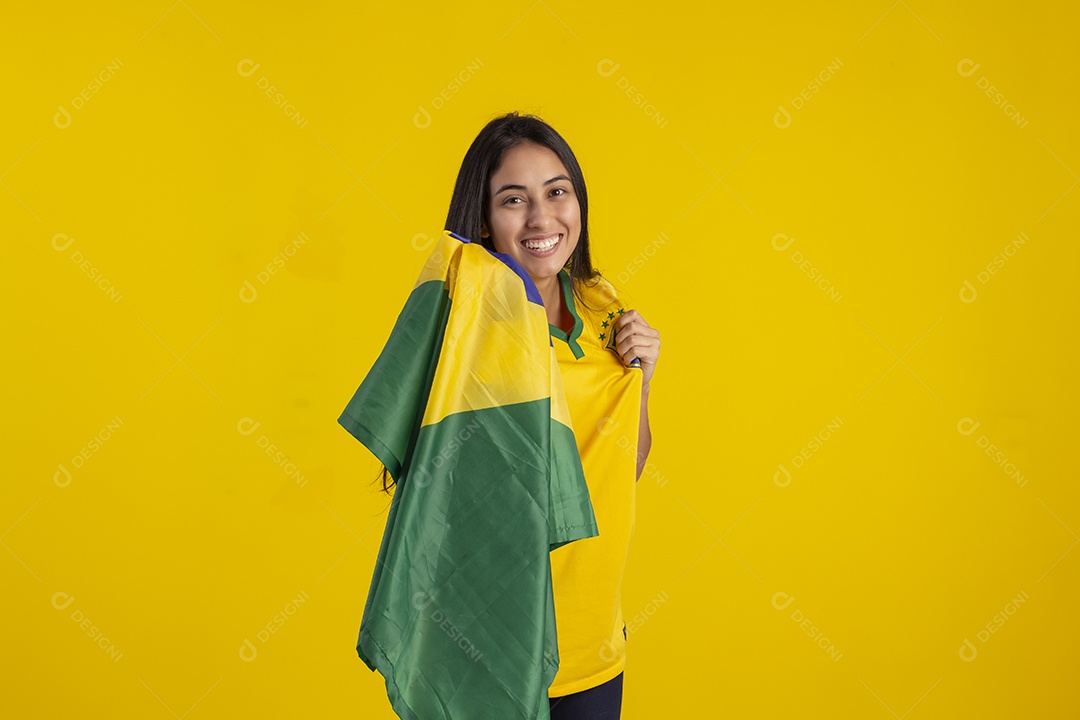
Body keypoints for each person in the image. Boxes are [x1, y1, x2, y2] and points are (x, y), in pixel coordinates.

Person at [375, 111, 661, 719]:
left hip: (592, 641)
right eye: (513, 200)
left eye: (557, 192)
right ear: (483, 219)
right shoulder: (471, 330)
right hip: (491, 643)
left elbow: (620, 470)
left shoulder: (601, 306)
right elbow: (445, 495)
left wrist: (641, 383)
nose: (541, 219)